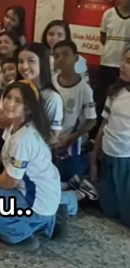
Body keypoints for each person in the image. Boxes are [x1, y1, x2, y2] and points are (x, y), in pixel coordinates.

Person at [0, 81, 61, 249]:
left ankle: (20, 235)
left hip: (37, 201)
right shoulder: (19, 126)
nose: (10, 103)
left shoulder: (22, 139)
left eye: (18, 101)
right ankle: (42, 223)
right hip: (44, 195)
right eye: (8, 97)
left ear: (28, 108)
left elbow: (10, 182)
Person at [91, 47, 130, 226]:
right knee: (109, 210)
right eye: (124, 60)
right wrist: (93, 161)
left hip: (126, 159)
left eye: (128, 62)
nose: (121, 66)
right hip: (107, 155)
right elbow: (103, 127)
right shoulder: (115, 92)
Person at [53, 40, 97, 185]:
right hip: (51, 137)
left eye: (66, 54)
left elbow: (92, 120)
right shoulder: (51, 82)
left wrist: (71, 138)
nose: (61, 59)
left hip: (71, 139)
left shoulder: (84, 89)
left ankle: (85, 158)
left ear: (76, 58)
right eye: (57, 56)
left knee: (67, 176)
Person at [97, 0, 130, 115]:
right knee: (102, 99)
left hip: (125, 68)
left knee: (120, 101)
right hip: (107, 64)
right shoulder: (109, 14)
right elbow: (103, 38)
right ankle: (98, 127)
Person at [18, 42, 63, 135]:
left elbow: (54, 136)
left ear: (42, 63)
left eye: (31, 61)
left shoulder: (52, 98)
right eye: (21, 61)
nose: (24, 66)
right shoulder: (18, 90)